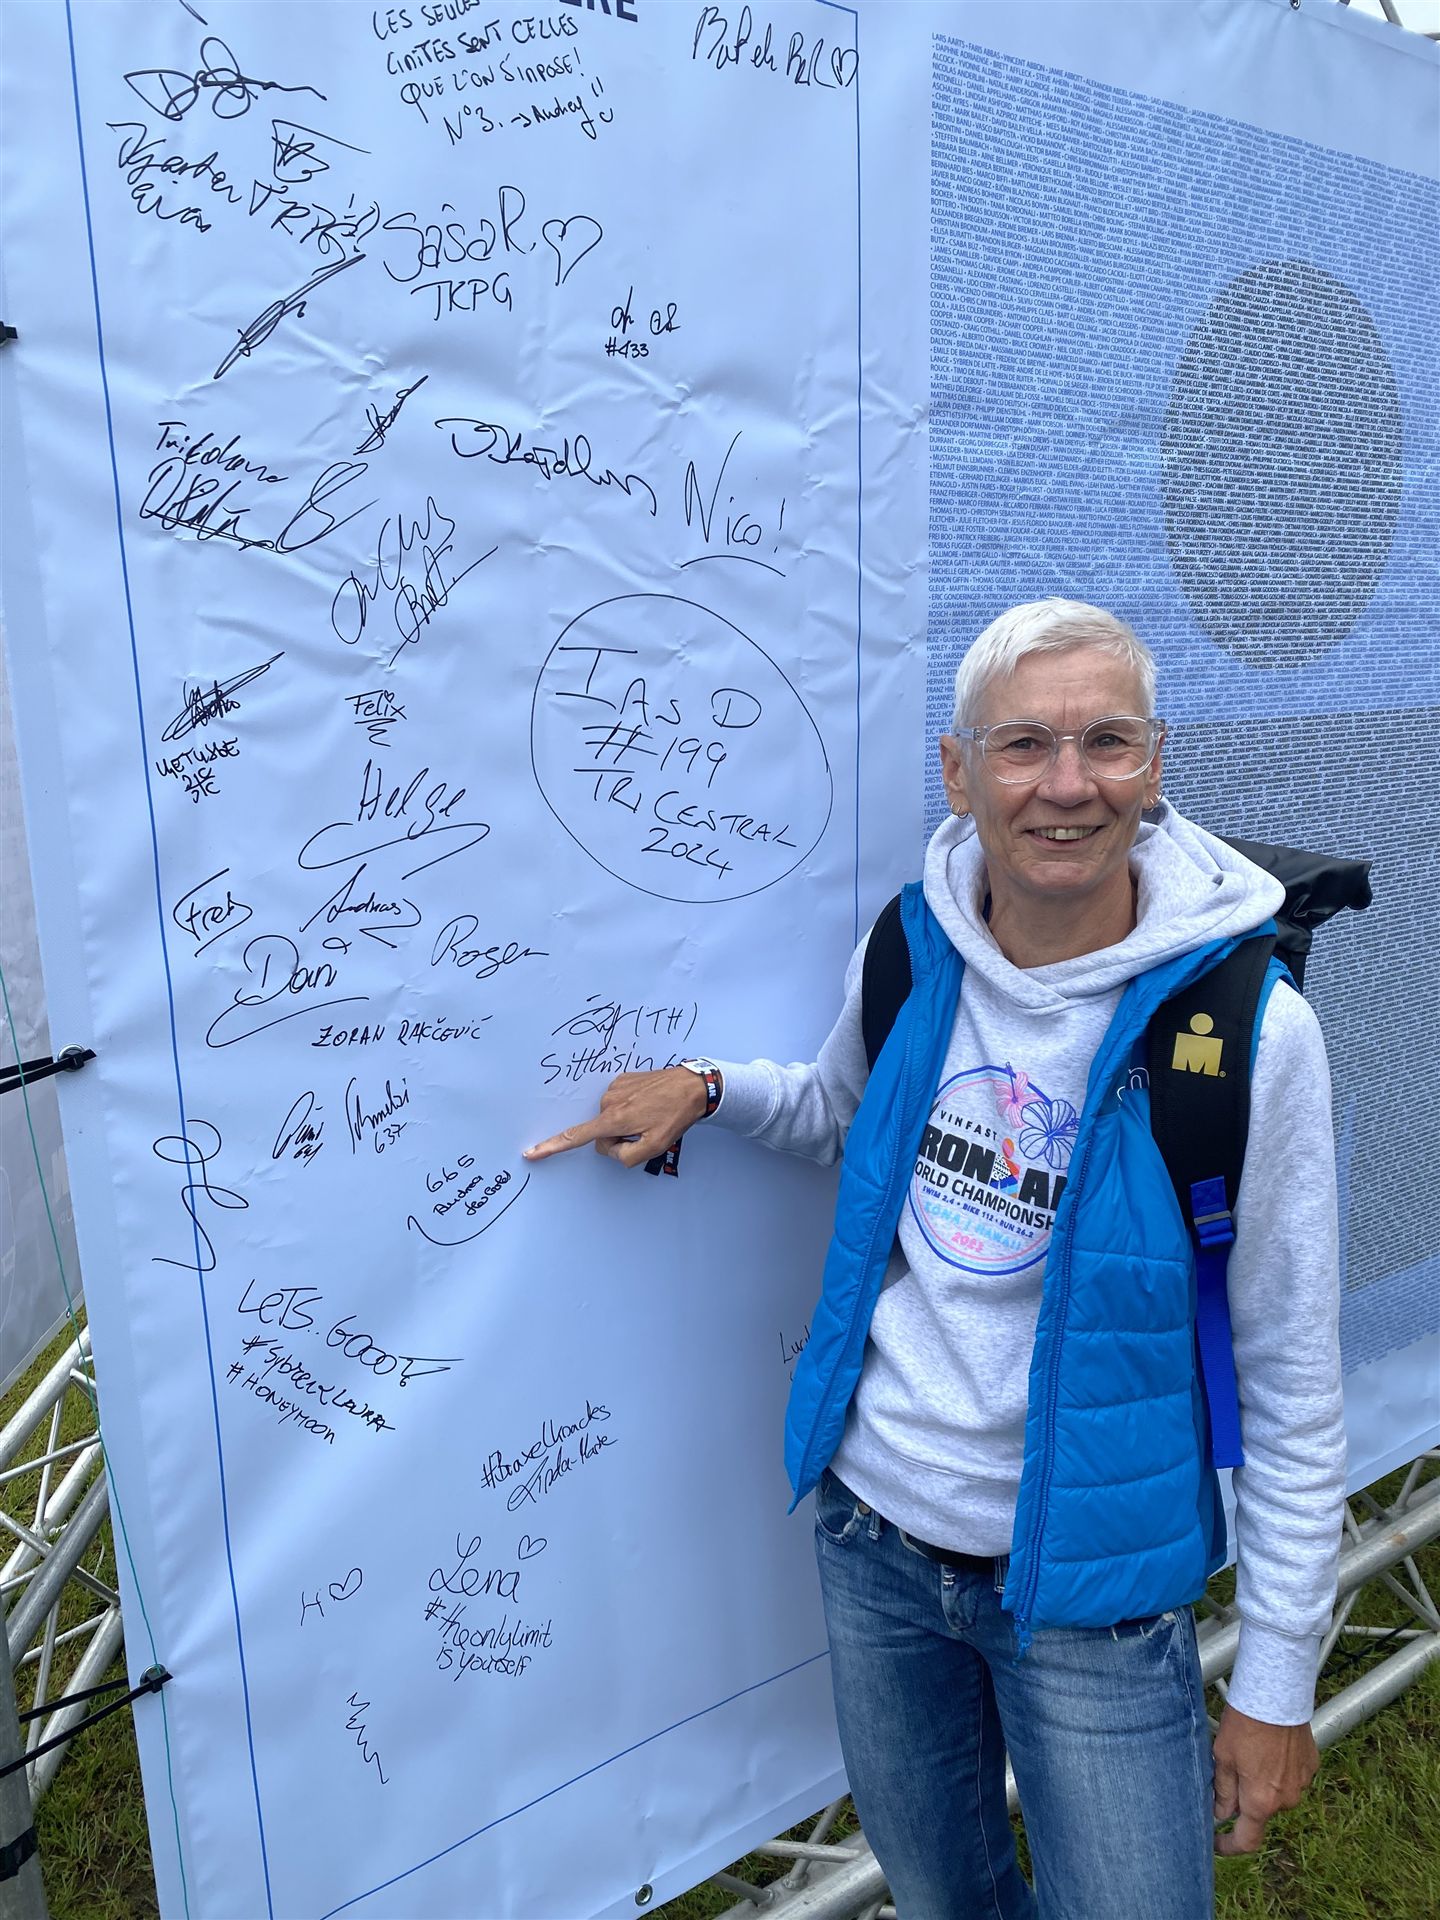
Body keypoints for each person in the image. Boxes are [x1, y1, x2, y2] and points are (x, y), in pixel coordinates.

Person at [525, 600, 1346, 1919]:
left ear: (1155, 765)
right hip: (876, 1543)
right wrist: (713, 1089)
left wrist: (1278, 1681)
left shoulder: (1250, 1031)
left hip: (1093, 1605)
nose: (1067, 785)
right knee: (945, 1899)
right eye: (1022, 745)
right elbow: (851, 1117)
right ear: (959, 773)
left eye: (1106, 742)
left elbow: (1292, 1378)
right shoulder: (915, 947)